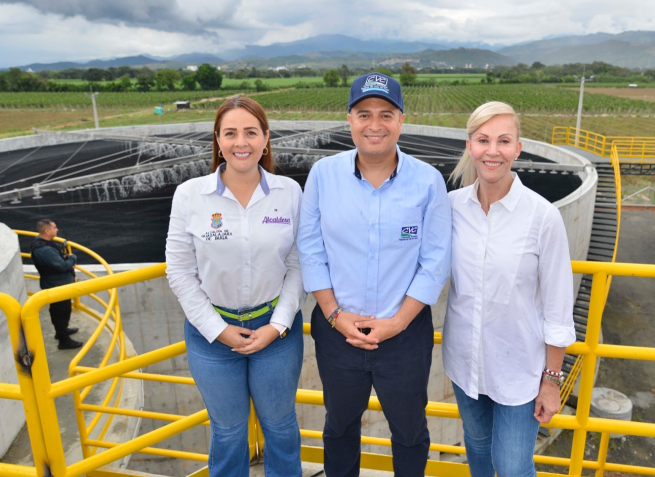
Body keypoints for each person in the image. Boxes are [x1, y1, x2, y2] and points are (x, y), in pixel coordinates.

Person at [297, 72, 452, 477]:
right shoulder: (323, 176)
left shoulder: (428, 182)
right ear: (349, 119)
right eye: (363, 114)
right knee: (340, 426)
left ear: (402, 120)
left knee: (409, 429)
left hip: (404, 335)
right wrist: (333, 314)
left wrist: (397, 322)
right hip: (337, 330)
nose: (375, 125)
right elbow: (311, 249)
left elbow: (435, 260)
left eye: (386, 114)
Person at [166, 96, 305, 477]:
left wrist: (277, 326)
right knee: (227, 432)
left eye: (250, 132)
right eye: (230, 133)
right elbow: (178, 271)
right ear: (217, 139)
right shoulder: (190, 195)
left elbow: (298, 265)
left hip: (275, 333)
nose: (240, 142)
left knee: (280, 427)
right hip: (211, 336)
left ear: (265, 139)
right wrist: (219, 330)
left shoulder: (289, 193)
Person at [442, 101, 576, 477]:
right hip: (465, 364)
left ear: (518, 148)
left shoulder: (542, 217)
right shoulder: (451, 208)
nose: (493, 150)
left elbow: (558, 307)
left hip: (520, 370)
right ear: (470, 145)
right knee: (479, 455)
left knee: (514, 467)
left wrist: (552, 381)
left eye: (504, 140)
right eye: (483, 140)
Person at [30, 219, 83, 350]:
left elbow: (55, 261)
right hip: (57, 285)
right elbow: (61, 266)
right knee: (61, 311)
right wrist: (72, 258)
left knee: (60, 310)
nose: (57, 229)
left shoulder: (43, 244)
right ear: (47, 231)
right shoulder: (45, 249)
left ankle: (61, 332)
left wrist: (65, 258)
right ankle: (63, 340)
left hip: (56, 283)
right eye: (54, 227)